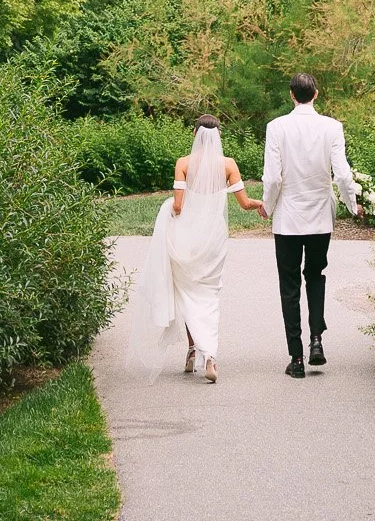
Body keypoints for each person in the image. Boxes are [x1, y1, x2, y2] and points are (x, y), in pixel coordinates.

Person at [123, 116, 265, 383]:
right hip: (213, 241)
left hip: (186, 238)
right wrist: (260, 204)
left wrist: (169, 209)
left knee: (187, 294)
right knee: (209, 295)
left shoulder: (184, 164)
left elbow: (178, 206)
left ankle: (192, 350)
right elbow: (244, 204)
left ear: (195, 134)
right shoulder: (228, 165)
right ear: (219, 136)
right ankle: (209, 356)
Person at [261, 72, 360, 378]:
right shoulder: (332, 127)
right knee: (316, 276)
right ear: (316, 94)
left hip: (288, 218)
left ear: (292, 95)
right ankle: (317, 340)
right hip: (320, 216)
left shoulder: (276, 127)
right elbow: (342, 174)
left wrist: (267, 205)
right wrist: (351, 203)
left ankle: (297, 358)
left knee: (289, 287)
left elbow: (274, 177)